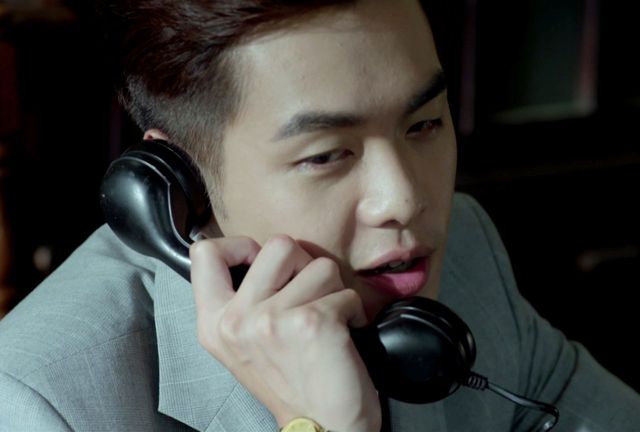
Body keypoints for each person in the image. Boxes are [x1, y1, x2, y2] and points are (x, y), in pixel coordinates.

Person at [0, 0, 638, 431]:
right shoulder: (41, 403)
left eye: (423, 124)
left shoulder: (465, 251)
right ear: (185, 185)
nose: (404, 200)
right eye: (327, 155)